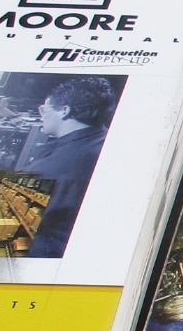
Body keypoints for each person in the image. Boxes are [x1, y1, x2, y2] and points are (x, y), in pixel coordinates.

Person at [18, 76, 115, 257]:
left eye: (44, 110)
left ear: (64, 110)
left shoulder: (49, 168)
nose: (41, 116)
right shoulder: (108, 141)